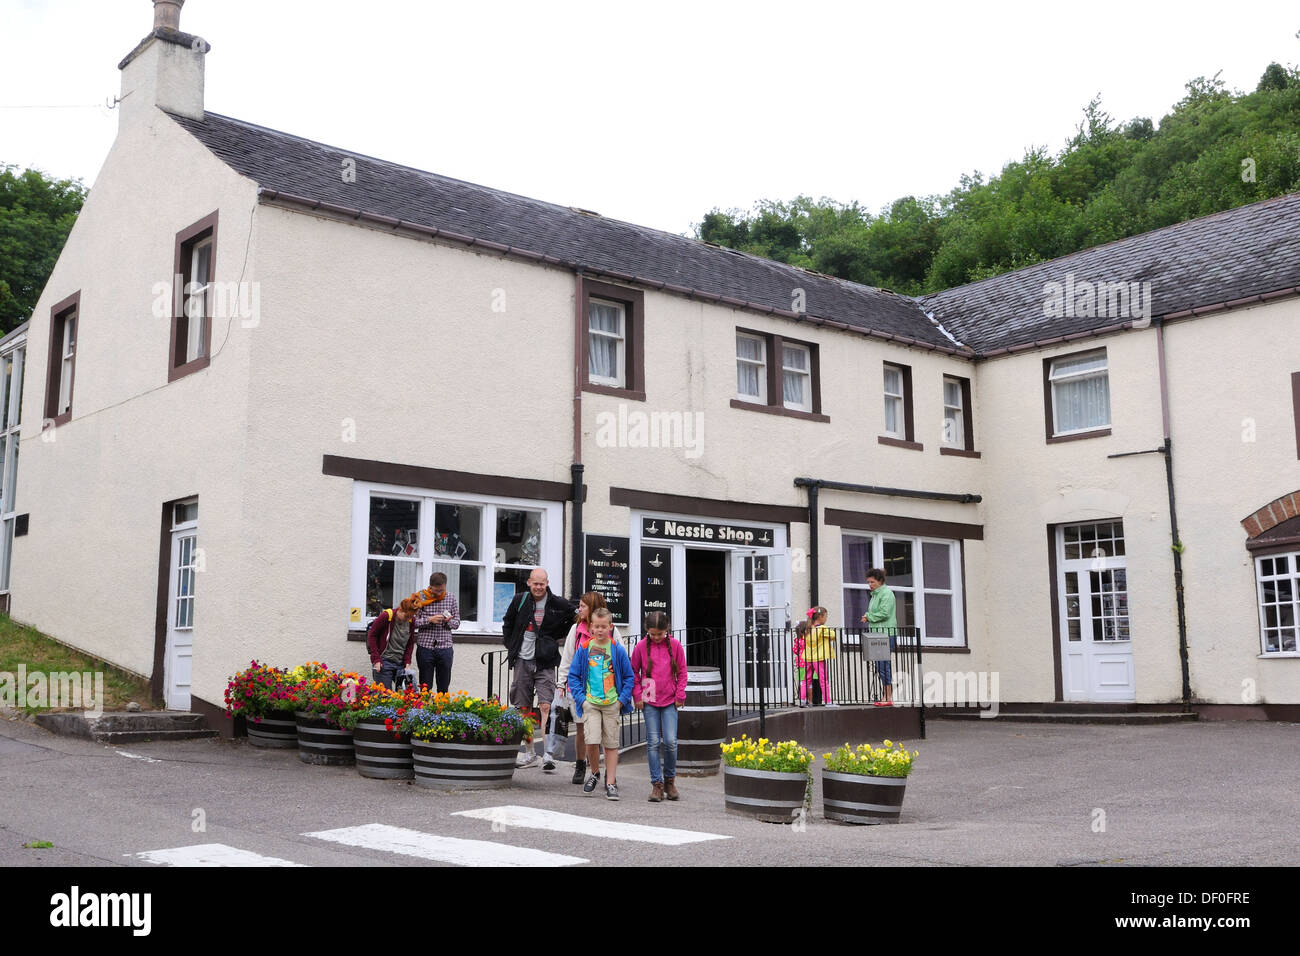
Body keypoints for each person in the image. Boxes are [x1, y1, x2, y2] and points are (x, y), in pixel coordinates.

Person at [501, 568, 574, 768]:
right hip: (522, 660)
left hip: (545, 661)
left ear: (547, 583)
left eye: (542, 584)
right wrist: (511, 645)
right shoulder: (520, 600)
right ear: (529, 583)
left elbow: (574, 617)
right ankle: (530, 753)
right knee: (523, 709)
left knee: (546, 707)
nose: (539, 587)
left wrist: (553, 637)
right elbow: (507, 623)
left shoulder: (558, 603)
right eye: (535, 583)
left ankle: (547, 754)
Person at [567, 607, 633, 800]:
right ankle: (594, 773)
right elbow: (574, 676)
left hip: (612, 703)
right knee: (592, 741)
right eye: (596, 626)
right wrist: (582, 700)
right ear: (591, 627)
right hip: (591, 703)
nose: (600, 630)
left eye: (604, 626)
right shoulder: (585, 649)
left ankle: (611, 782)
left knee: (611, 745)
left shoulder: (617, 650)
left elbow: (629, 677)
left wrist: (621, 701)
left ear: (610, 627)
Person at [554, 592, 621, 781]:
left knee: (605, 733)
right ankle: (581, 766)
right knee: (583, 729)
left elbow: (623, 662)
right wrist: (561, 683)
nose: (579, 609)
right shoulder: (576, 630)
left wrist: (623, 694)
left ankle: (608, 771)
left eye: (583, 606)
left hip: (607, 691)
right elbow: (568, 658)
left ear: (592, 607)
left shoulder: (612, 632)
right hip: (581, 690)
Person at [630, 611, 687, 802]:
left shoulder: (676, 646)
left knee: (670, 741)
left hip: (670, 699)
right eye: (652, 634)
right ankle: (657, 784)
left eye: (659, 634)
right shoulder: (640, 647)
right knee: (653, 742)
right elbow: (634, 673)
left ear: (667, 630)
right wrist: (637, 695)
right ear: (647, 630)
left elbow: (683, 671)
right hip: (649, 699)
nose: (655, 638)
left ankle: (670, 780)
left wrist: (680, 694)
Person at [412, 571, 460, 695]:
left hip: (445, 647)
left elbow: (457, 623)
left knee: (443, 687)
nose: (439, 593)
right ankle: (424, 712)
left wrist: (447, 622)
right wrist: (429, 620)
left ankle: (441, 711)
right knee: (425, 687)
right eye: (436, 591)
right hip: (425, 647)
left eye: (442, 590)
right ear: (430, 587)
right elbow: (412, 622)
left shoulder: (451, 598)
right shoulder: (419, 598)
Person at [861, 568, 897, 705]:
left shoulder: (886, 594)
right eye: (868, 582)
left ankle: (887, 697)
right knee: (880, 665)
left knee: (883, 665)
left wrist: (868, 616)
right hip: (877, 633)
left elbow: (885, 613)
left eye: (872, 582)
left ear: (880, 581)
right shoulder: (875, 595)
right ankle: (886, 695)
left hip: (886, 633)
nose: (870, 585)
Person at [366, 596, 418, 689]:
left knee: (407, 695)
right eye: (406, 616)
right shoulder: (387, 616)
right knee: (385, 696)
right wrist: (376, 659)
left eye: (411, 616)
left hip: (401, 663)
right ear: (400, 609)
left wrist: (407, 661)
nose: (408, 619)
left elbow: (410, 642)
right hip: (384, 662)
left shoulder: (411, 621)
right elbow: (372, 635)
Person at [803, 606, 837, 706]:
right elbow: (833, 635)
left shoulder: (808, 629)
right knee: (823, 680)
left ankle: (802, 700)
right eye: (826, 616)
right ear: (820, 617)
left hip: (809, 657)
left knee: (806, 680)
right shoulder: (822, 629)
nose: (826, 619)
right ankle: (828, 701)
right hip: (819, 658)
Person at [792, 620, 809, 707]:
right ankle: (807, 700)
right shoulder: (808, 640)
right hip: (809, 663)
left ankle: (803, 700)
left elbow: (795, 650)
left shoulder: (798, 640)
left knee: (803, 682)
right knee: (809, 683)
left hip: (801, 663)